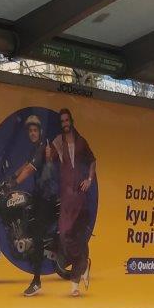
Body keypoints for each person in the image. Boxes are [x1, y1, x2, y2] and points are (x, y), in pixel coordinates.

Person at [51, 108, 95, 297]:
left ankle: (75, 285)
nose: (65, 123)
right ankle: (84, 264)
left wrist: (90, 179)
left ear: (71, 120)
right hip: (66, 197)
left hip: (79, 197)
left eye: (67, 120)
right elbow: (47, 160)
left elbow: (92, 160)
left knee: (76, 237)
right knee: (64, 237)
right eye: (62, 121)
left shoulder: (81, 142)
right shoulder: (57, 143)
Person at [14, 115, 57, 298]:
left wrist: (15, 181)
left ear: (39, 132)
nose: (32, 133)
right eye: (30, 131)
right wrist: (11, 177)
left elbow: (31, 168)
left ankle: (37, 280)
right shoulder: (35, 149)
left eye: (35, 130)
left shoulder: (42, 149)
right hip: (39, 195)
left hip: (47, 197)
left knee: (36, 235)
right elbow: (25, 165)